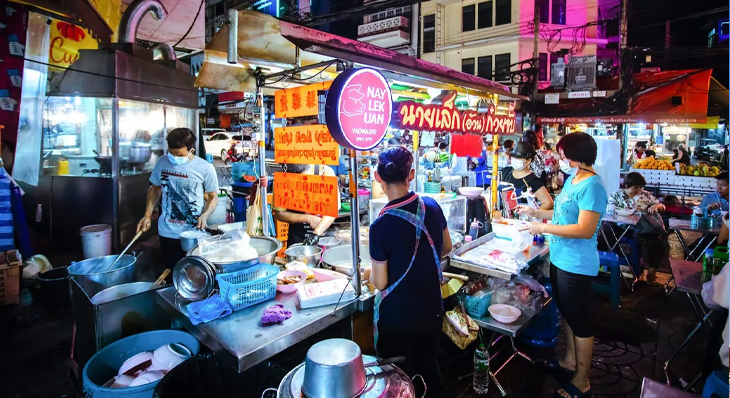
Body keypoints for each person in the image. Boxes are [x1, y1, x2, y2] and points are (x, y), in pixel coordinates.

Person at [517, 132, 608, 398]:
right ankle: (570, 361)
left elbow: (584, 229)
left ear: (577, 156)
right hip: (560, 258)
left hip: (577, 265)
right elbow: (561, 213)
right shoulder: (573, 179)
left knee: (579, 321)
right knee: (567, 315)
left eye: (564, 154)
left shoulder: (593, 186)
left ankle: (582, 380)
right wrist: (535, 213)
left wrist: (543, 227)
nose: (560, 159)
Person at [364, 146, 451, 398]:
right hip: (431, 312)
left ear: (378, 178)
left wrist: (367, 271)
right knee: (428, 367)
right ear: (410, 174)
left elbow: (380, 283)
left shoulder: (380, 225)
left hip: (398, 320)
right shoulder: (432, 206)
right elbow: (446, 247)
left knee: (398, 382)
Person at [136, 128, 219, 269]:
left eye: (179, 154)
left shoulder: (205, 168)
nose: (174, 157)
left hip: (193, 233)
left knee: (193, 273)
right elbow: (155, 190)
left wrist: (205, 215)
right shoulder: (162, 162)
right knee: (171, 272)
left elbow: (212, 197)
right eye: (171, 153)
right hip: (167, 232)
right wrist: (147, 215)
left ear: (191, 149)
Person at [608, 172, 668, 283]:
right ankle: (608, 267)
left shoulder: (645, 195)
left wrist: (656, 207)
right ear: (626, 185)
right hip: (622, 230)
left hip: (643, 229)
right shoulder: (616, 196)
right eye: (635, 187)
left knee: (658, 243)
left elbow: (662, 206)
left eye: (640, 187)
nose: (638, 190)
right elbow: (609, 210)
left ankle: (651, 273)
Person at [272, 164, 339, 247]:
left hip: (323, 235)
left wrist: (316, 234)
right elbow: (279, 213)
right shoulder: (282, 178)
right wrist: (308, 218)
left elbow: (333, 210)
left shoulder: (325, 172)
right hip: (297, 236)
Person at [500, 141, 554, 210]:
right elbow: (491, 189)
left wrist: (533, 215)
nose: (515, 160)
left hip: (519, 219)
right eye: (514, 157)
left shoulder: (533, 181)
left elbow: (548, 203)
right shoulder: (505, 172)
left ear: (528, 160)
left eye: (519, 157)